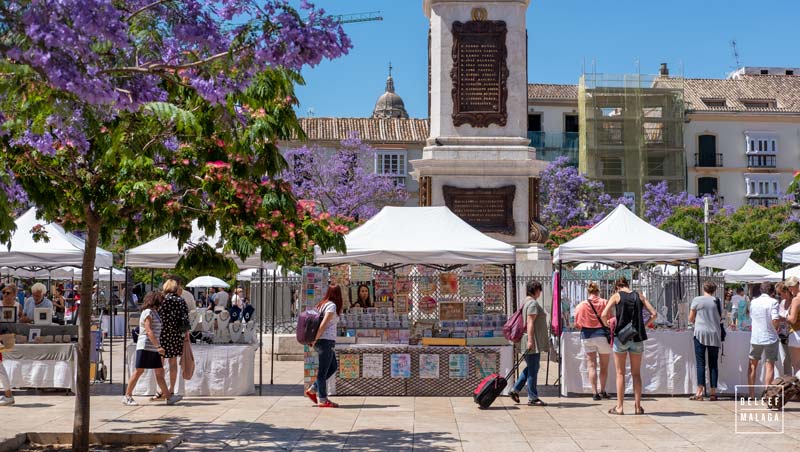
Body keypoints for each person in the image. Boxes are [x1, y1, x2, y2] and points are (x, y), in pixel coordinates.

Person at [601, 276, 657, 415]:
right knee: (636, 374)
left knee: (620, 373)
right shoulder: (639, 296)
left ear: (617, 287)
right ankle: (638, 407)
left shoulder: (616, 296)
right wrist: (642, 326)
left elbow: (603, 314)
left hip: (621, 337)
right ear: (628, 284)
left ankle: (619, 407)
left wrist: (608, 324)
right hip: (637, 337)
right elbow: (654, 314)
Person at [123, 292, 178, 406]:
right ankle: (127, 396)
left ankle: (168, 397)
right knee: (139, 371)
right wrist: (158, 346)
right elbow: (148, 330)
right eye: (161, 300)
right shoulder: (148, 312)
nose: (162, 303)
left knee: (159, 371)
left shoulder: (155, 313)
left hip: (153, 347)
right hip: (145, 346)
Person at [508, 281, 549, 406]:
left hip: (529, 341)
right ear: (536, 290)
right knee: (533, 369)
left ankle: (515, 389)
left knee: (533, 367)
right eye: (540, 290)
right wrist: (531, 340)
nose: (540, 293)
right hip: (531, 341)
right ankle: (532, 397)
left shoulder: (526, 302)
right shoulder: (532, 303)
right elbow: (530, 322)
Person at [305, 285, 344, 408]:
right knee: (323, 371)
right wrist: (315, 339)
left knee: (333, 366)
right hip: (325, 341)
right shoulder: (331, 305)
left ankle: (313, 388)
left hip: (324, 341)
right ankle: (322, 399)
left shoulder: (322, 304)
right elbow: (323, 324)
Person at [574, 282, 610, 401]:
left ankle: (594, 393)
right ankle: (603, 390)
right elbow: (610, 319)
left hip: (588, 336)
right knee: (604, 366)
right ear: (598, 291)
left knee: (591, 365)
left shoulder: (581, 305)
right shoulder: (605, 302)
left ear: (588, 292)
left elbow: (577, 324)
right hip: (603, 336)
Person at [689, 280, 722, 401]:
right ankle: (713, 392)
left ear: (704, 288)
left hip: (700, 334)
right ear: (714, 290)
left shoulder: (697, 300)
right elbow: (720, 317)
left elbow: (690, 318)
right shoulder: (717, 301)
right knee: (713, 364)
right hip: (714, 334)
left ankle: (699, 392)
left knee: (700, 363)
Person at [747, 282, 780, 398]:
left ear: (761, 291)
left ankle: (751, 394)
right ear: (772, 292)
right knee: (769, 366)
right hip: (770, 337)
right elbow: (775, 319)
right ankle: (767, 395)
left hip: (756, 337)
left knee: (752, 365)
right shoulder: (773, 302)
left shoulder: (753, 302)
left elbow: (751, 316)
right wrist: (776, 327)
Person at [159, 278, 190, 400]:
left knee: (160, 363)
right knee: (173, 363)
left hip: (161, 334)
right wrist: (186, 334)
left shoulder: (161, 300)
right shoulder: (180, 300)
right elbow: (185, 320)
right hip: (175, 335)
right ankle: (171, 389)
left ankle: (162, 389)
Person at [0, 284, 20, 406]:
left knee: (0, 368)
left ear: (14, 294)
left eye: (8, 293)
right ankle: (8, 395)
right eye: (4, 293)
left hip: (5, 338)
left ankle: (8, 395)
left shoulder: (17, 306)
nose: (5, 295)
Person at [776, 281, 793, 377]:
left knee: (794, 359)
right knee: (786, 359)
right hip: (783, 335)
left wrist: (783, 319)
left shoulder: (795, 301)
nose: (779, 295)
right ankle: (789, 382)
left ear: (786, 291)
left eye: (780, 293)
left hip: (793, 334)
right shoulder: (782, 302)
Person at [785, 276, 800, 376]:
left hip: (796, 333)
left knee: (796, 366)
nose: (789, 290)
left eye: (789, 287)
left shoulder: (796, 300)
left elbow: (792, 319)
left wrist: (786, 316)